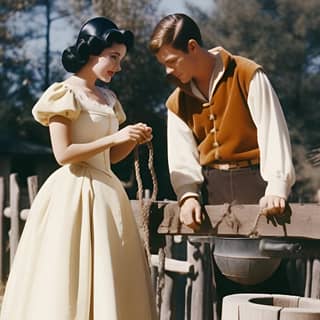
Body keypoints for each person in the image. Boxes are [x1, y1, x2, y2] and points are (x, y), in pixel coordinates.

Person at [0, 17, 157, 320]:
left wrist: (132, 139)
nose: (118, 66)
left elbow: (111, 158)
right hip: (71, 194)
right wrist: (115, 136)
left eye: (120, 59)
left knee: (109, 273)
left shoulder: (109, 98)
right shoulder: (63, 94)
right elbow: (64, 153)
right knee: (67, 273)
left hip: (108, 196)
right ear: (92, 51)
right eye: (113, 57)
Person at [149, 13, 296, 319]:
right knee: (229, 288)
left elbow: (273, 131)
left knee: (274, 285)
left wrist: (277, 186)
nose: (168, 70)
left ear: (192, 47)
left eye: (172, 60)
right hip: (214, 190)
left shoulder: (247, 74)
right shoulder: (177, 101)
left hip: (258, 185)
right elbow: (181, 156)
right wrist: (188, 194)